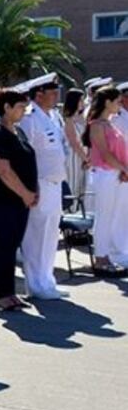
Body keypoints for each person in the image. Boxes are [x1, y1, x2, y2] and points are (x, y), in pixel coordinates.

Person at [0, 89, 39, 310]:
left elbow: (28, 161)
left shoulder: (18, 132)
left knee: (12, 244)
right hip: (2, 199)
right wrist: (25, 193)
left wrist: (34, 189)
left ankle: (10, 292)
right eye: (19, 107)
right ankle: (0, 294)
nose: (23, 111)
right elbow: (2, 169)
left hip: (19, 200)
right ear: (6, 107)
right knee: (3, 245)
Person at [18, 73, 68, 300]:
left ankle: (47, 279)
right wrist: (30, 187)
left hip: (55, 183)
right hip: (39, 183)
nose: (57, 96)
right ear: (39, 94)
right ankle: (36, 284)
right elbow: (24, 155)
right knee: (36, 235)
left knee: (50, 235)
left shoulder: (53, 115)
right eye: (53, 92)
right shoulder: (29, 118)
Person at [84, 86, 128, 273]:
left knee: (114, 217)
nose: (120, 104)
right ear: (107, 102)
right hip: (106, 174)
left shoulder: (110, 123)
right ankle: (101, 259)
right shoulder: (96, 125)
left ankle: (109, 255)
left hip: (117, 174)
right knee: (104, 217)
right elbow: (105, 153)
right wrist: (125, 168)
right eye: (117, 101)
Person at [62, 89, 90, 205]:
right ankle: (71, 209)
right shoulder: (68, 119)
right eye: (80, 100)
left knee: (82, 186)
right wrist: (86, 159)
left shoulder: (82, 118)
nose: (82, 103)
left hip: (84, 156)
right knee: (73, 184)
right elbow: (74, 142)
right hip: (74, 157)